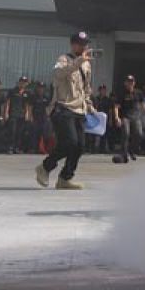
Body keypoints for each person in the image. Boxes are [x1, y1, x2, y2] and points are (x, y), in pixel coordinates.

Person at [36, 32, 97, 190]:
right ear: (73, 44)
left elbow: (86, 88)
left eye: (85, 43)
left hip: (80, 109)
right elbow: (58, 74)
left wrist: (90, 106)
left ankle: (65, 178)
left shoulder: (87, 64)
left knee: (80, 146)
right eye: (80, 43)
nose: (83, 46)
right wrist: (77, 62)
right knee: (69, 142)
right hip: (63, 107)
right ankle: (45, 167)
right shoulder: (63, 59)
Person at [111, 74, 145, 163]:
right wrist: (117, 117)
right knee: (126, 133)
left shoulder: (138, 93)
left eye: (131, 82)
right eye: (128, 82)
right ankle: (124, 154)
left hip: (136, 116)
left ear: (134, 83)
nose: (130, 83)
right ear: (125, 83)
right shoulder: (121, 93)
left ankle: (132, 150)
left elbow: (143, 104)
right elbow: (116, 106)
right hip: (125, 117)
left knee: (139, 134)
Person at [5, 76, 32, 155]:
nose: (23, 83)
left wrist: (27, 114)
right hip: (13, 113)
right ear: (19, 82)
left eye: (25, 82)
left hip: (22, 114)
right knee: (12, 131)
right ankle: (10, 147)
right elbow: (8, 103)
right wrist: (6, 113)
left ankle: (17, 148)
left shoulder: (27, 93)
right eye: (22, 82)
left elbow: (27, 105)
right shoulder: (12, 91)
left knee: (20, 132)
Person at [31, 81, 51, 153]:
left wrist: (48, 116)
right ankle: (34, 148)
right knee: (35, 133)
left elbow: (48, 107)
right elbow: (31, 107)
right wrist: (30, 116)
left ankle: (43, 148)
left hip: (44, 117)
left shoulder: (46, 97)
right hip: (35, 116)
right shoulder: (34, 96)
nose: (40, 89)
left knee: (44, 133)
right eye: (39, 87)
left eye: (42, 88)